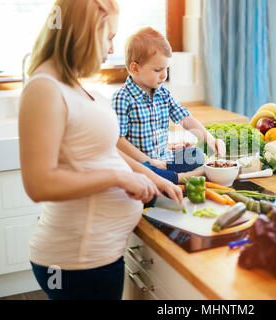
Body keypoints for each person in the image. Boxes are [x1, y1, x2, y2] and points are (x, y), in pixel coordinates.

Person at [19, 0, 182, 300]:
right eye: (108, 36)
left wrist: (152, 175)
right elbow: (38, 184)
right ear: (84, 31)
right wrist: (118, 179)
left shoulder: (70, 84)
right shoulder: (43, 88)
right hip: (76, 261)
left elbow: (106, 150)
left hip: (99, 254)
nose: (111, 48)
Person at [112, 27, 226, 185]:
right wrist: (149, 161)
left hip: (164, 159)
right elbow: (119, 141)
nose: (164, 75)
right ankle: (181, 178)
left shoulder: (163, 93)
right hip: (141, 164)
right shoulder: (122, 98)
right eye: (158, 69)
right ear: (135, 68)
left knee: (196, 155)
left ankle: (170, 177)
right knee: (143, 174)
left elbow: (185, 118)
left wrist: (211, 140)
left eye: (166, 68)